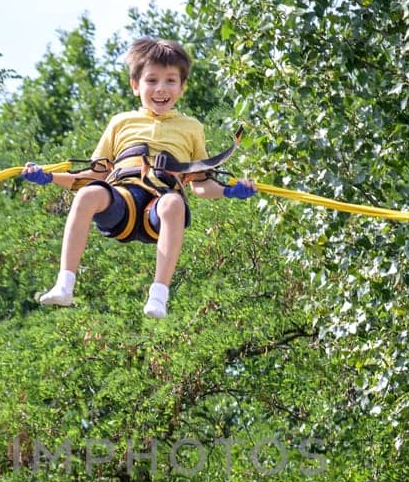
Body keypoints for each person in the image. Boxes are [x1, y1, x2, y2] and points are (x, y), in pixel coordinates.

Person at [21, 37, 255, 319]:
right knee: (88, 194)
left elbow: (202, 185)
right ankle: (64, 283)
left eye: (170, 81)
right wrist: (49, 176)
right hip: (123, 204)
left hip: (158, 208)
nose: (160, 89)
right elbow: (93, 174)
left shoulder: (191, 127)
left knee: (173, 204)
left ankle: (159, 295)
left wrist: (230, 191)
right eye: (152, 80)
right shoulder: (121, 122)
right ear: (136, 86)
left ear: (182, 87)